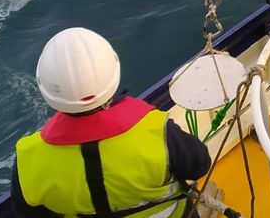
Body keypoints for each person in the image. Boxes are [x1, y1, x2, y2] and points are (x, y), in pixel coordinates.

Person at [12, 28, 211, 218]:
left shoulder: (28, 159)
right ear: (112, 71)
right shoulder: (156, 131)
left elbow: (29, 213)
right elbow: (200, 165)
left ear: (45, 87)